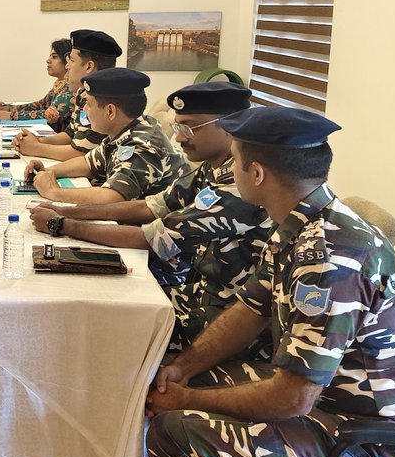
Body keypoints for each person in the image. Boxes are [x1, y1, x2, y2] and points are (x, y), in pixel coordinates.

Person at [145, 106, 395, 457]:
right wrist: (183, 369)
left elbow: (294, 397)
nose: (230, 170)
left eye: (234, 160)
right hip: (326, 401)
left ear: (256, 173)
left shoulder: (331, 258)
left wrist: (187, 399)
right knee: (165, 384)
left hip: (368, 443)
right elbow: (250, 310)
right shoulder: (300, 224)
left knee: (175, 432)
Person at [30, 83, 271, 353]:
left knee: (99, 325)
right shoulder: (212, 169)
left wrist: (61, 224)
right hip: (199, 292)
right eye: (178, 127)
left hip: (229, 317)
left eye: (189, 128)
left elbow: (150, 237)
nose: (178, 138)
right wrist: (64, 210)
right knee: (90, 301)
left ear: (229, 127)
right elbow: (151, 206)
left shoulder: (240, 184)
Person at [24, 67, 186, 204]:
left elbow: (113, 196)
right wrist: (47, 171)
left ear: (110, 111)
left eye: (89, 104)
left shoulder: (142, 144)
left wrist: (54, 192)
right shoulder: (126, 128)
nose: (85, 110)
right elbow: (89, 162)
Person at [11, 29, 117, 161]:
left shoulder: (102, 100)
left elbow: (82, 154)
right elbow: (70, 134)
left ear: (89, 66)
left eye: (71, 60)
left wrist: (36, 148)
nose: (67, 66)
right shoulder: (83, 93)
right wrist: (38, 140)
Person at [0, 38, 73, 129]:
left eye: (54, 57)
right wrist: (10, 108)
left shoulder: (72, 87)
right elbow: (41, 105)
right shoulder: (60, 85)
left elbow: (50, 115)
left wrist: (12, 116)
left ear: (68, 60)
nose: (48, 60)